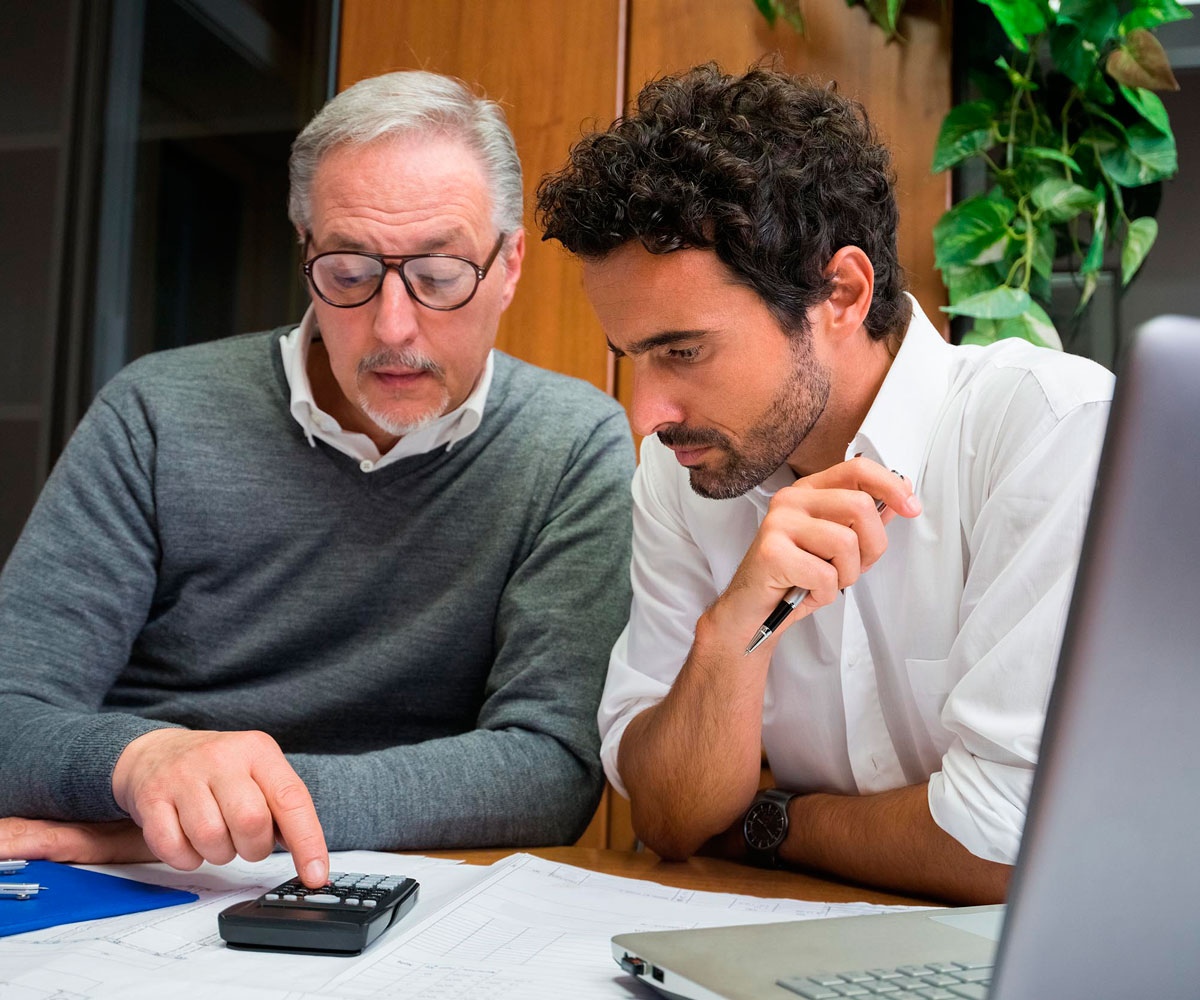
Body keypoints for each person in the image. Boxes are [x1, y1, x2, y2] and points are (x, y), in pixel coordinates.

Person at [0, 71, 634, 888]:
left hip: (385, 885)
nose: (393, 326)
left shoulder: (570, 443)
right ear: (304, 252)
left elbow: (551, 769)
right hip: (133, 877)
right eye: (347, 273)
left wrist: (242, 818)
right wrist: (141, 762)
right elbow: (11, 709)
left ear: (509, 264)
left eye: (440, 275)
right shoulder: (157, 412)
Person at [536, 64, 1114, 904]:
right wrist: (736, 630)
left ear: (841, 291)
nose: (646, 415)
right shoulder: (685, 464)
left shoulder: (1047, 430)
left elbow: (1007, 844)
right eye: (634, 361)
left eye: (684, 351)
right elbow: (669, 817)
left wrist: (770, 826)